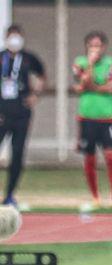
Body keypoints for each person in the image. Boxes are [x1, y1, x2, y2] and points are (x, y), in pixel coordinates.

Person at [72, 30, 112, 209]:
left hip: (107, 117)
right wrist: (90, 66)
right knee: (90, 158)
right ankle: (95, 197)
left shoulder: (111, 63)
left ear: (104, 47)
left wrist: (90, 86)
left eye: (98, 46)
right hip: (87, 116)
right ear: (87, 47)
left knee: (111, 156)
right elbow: (83, 83)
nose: (95, 49)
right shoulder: (80, 62)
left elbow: (111, 87)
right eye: (92, 46)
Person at [0, 24, 46, 208]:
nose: (14, 40)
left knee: (17, 153)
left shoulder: (28, 58)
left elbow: (42, 75)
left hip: (21, 114)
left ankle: (10, 194)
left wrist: (35, 94)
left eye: (17, 36)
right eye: (11, 36)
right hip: (2, 114)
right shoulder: (1, 57)